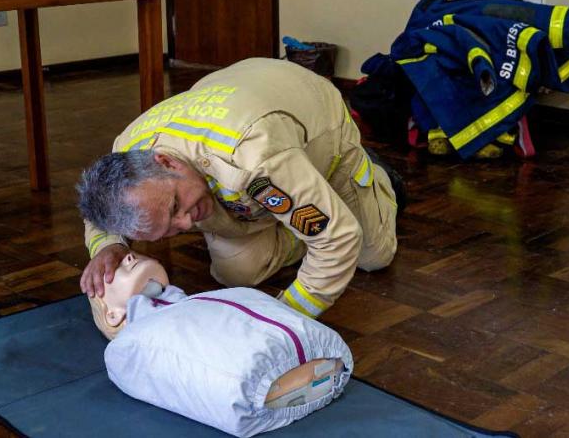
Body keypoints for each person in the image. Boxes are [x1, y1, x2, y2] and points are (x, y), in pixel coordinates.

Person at [78, 58, 403, 319]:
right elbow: (100, 208)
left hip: (315, 119)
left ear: (167, 163)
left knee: (372, 255)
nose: (187, 225)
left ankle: (376, 175)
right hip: (237, 89)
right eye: (167, 232)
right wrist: (108, 246)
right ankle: (298, 207)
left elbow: (337, 239)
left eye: (175, 207)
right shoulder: (127, 154)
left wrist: (284, 316)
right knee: (238, 274)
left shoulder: (253, 156)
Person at [92, 250, 352, 437]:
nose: (128, 257)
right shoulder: (131, 347)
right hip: (269, 385)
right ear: (111, 315)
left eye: (129, 254)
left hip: (304, 360)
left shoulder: (213, 298)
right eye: (113, 271)